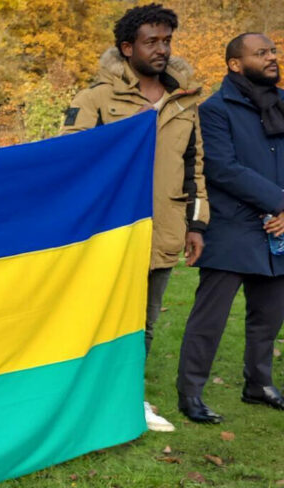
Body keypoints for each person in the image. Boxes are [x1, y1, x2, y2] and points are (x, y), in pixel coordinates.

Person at [61, 3, 209, 433]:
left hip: (163, 227)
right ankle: (81, 400)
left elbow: (195, 166)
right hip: (108, 232)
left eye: (167, 41)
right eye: (151, 42)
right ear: (127, 48)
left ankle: (128, 398)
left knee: (145, 322)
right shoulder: (95, 98)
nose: (162, 49)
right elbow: (69, 160)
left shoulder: (185, 100)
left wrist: (196, 225)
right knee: (98, 317)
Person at [176, 33, 284, 422]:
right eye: (261, 53)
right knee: (210, 318)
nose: (271, 57)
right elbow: (222, 167)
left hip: (277, 229)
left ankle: (259, 384)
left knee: (269, 315)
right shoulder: (215, 109)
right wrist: (279, 201)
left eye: (273, 51)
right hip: (231, 227)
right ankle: (190, 393)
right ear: (235, 64)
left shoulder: (282, 102)